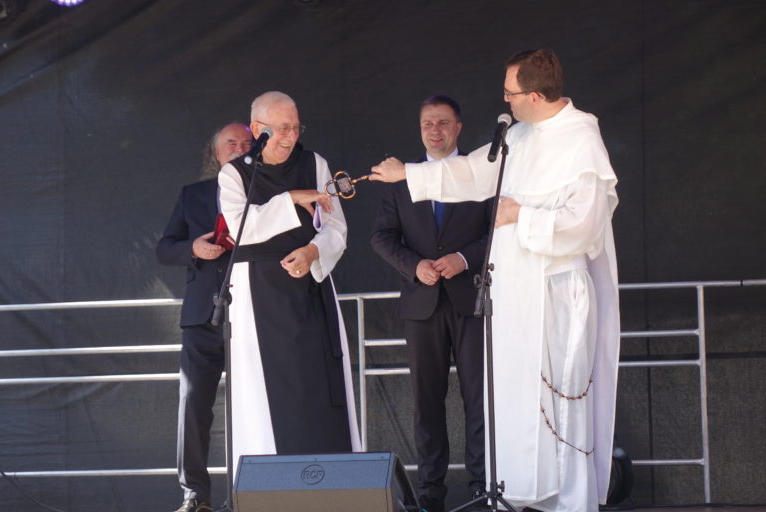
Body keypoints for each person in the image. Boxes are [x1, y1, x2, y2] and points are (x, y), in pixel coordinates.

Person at [370, 49, 620, 512]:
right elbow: (472, 173)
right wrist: (409, 173)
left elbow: (584, 226)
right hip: (515, 292)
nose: (504, 100)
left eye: (511, 93)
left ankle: (567, 500)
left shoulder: (581, 138)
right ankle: (526, 493)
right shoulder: (519, 135)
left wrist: (521, 215)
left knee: (557, 397)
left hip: (554, 290)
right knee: (513, 397)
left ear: (537, 95)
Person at [217, 91, 361, 475]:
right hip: (257, 294)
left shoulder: (315, 163)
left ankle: (331, 483)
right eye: (281, 128)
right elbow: (240, 227)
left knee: (317, 387)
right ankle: (271, 484)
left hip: (309, 287)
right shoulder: (234, 174)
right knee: (267, 393)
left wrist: (313, 252)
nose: (290, 136)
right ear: (257, 130)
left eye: (296, 127)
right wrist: (292, 198)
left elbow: (336, 227)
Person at [370, 95, 490, 512]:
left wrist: (463, 259)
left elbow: (498, 231)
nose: (434, 130)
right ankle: (430, 494)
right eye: (427, 124)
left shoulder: (479, 173)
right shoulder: (401, 178)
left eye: (442, 123)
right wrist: (414, 265)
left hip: (473, 300)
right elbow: (381, 236)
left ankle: (482, 488)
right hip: (421, 304)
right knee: (426, 402)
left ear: (459, 127)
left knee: (480, 399)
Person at [156, 123, 252, 512]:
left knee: (253, 407)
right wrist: (193, 248)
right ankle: (195, 495)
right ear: (216, 153)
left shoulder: (270, 193)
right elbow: (165, 248)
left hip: (253, 316)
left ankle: (254, 492)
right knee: (193, 404)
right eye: (231, 143)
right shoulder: (193, 194)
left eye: (247, 143)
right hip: (201, 316)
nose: (240, 148)